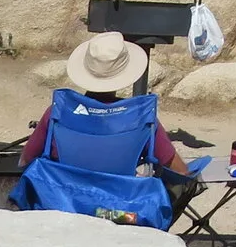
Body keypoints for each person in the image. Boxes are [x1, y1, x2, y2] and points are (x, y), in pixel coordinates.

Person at [17, 30, 189, 180]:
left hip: (64, 203)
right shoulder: (140, 117)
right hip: (120, 207)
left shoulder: (58, 113)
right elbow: (180, 172)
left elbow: (25, 160)